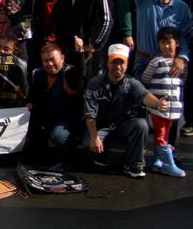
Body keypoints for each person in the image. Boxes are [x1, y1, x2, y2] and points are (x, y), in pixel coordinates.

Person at [83, 43, 170, 178]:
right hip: (101, 126)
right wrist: (94, 137)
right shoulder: (95, 83)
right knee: (87, 142)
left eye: (121, 63)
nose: (117, 66)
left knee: (141, 125)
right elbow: (90, 114)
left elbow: (144, 95)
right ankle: (101, 158)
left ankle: (133, 164)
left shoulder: (132, 82)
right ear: (107, 63)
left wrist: (157, 103)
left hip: (123, 125)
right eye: (114, 62)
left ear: (127, 64)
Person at [26, 43, 84, 164]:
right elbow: (32, 95)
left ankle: (71, 156)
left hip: (66, 120)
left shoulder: (70, 73)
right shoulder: (38, 74)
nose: (50, 64)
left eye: (53, 60)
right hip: (46, 117)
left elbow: (79, 72)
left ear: (62, 58)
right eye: (46, 60)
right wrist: (29, 103)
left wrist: (80, 53)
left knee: (59, 136)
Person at [141, 27, 186, 177]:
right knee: (160, 134)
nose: (166, 46)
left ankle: (158, 161)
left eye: (169, 43)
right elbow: (145, 78)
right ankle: (168, 164)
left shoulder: (180, 65)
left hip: (173, 108)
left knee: (165, 134)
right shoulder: (156, 61)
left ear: (177, 43)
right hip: (159, 107)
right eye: (162, 43)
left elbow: (182, 83)